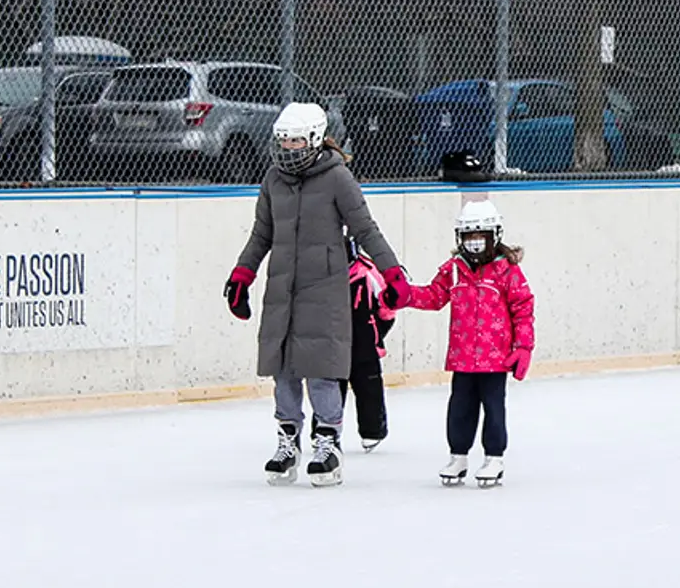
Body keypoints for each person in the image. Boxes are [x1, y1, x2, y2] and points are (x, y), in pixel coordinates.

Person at [224, 103, 410, 487]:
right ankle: (288, 441)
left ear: (312, 139)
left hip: (324, 289)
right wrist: (243, 274)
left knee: (322, 370)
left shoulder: (337, 178)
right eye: (282, 141)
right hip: (282, 289)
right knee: (284, 370)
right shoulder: (274, 179)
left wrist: (392, 272)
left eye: (294, 140)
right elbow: (261, 234)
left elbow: (366, 228)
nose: (287, 148)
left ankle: (329, 443)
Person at [397, 199, 535, 488]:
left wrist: (523, 347)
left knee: (494, 409)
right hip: (462, 358)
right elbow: (434, 296)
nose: (474, 243)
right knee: (460, 408)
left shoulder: (506, 271)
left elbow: (523, 308)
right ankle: (458, 455)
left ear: (493, 237)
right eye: (469, 237)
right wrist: (406, 295)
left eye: (480, 237)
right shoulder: (454, 269)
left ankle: (494, 456)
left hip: (495, 360)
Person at [346, 239, 399, 449]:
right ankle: (324, 431)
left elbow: (387, 310)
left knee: (369, 388)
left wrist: (375, 334)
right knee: (329, 389)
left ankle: (373, 431)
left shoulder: (368, 273)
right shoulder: (322, 275)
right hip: (332, 345)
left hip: (364, 346)